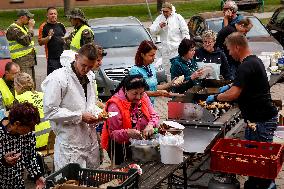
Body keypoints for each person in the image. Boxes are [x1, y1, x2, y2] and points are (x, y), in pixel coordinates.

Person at [206, 32, 278, 189]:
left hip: (261, 120)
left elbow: (234, 94)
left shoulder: (246, 65)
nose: (229, 53)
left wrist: (216, 97)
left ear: (237, 47)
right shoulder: (254, 61)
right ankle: (258, 183)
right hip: (258, 119)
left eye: (230, 50)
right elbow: (239, 86)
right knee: (255, 160)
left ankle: (264, 185)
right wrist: (229, 86)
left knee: (260, 162)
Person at [41, 43, 101, 171]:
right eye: (83, 65)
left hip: (90, 141)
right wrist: (79, 116)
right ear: (76, 57)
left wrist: (99, 114)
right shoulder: (58, 78)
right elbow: (50, 111)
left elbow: (89, 103)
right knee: (70, 182)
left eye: (90, 67)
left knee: (91, 181)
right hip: (69, 144)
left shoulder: (90, 76)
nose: (85, 70)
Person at [101, 74, 159, 165]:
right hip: (121, 148)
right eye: (135, 93)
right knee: (126, 172)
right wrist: (128, 133)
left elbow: (154, 115)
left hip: (139, 145)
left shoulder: (144, 97)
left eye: (141, 93)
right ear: (125, 90)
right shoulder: (114, 106)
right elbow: (113, 134)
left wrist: (150, 125)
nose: (139, 97)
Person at [0, 102, 45, 189]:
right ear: (17, 124)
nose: (33, 130)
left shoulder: (28, 135)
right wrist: (4, 162)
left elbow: (30, 158)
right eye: (30, 127)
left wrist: (38, 176)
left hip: (18, 184)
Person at [149, 2, 190, 81]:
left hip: (177, 50)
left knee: (179, 69)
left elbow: (185, 32)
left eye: (166, 11)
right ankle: (171, 88)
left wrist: (186, 46)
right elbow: (152, 31)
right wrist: (159, 26)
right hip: (166, 50)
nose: (165, 13)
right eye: (163, 11)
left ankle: (181, 88)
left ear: (171, 10)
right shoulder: (159, 18)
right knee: (168, 71)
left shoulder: (178, 17)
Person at [129, 40, 177, 104]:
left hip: (151, 105)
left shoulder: (151, 67)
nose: (154, 58)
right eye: (151, 55)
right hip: (139, 107)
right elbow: (138, 92)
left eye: (154, 55)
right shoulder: (135, 71)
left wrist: (170, 84)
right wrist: (157, 93)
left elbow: (153, 87)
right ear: (142, 55)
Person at [14, 72, 51, 149]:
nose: (14, 87)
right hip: (51, 139)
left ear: (19, 86)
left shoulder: (19, 100)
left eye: (15, 85)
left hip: (35, 142)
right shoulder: (43, 95)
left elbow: (15, 124)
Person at [6, 9, 36, 82]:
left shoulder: (23, 27)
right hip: (21, 62)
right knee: (25, 84)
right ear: (22, 17)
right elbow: (26, 41)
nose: (30, 19)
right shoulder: (13, 29)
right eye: (28, 17)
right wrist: (31, 28)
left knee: (31, 83)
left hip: (28, 61)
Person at [38, 7, 66, 75]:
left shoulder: (61, 25)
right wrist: (49, 37)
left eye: (55, 14)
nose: (53, 15)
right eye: (51, 14)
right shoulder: (43, 26)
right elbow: (40, 42)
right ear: (47, 15)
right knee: (53, 78)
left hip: (63, 57)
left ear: (57, 15)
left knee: (63, 77)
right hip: (52, 58)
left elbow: (64, 37)